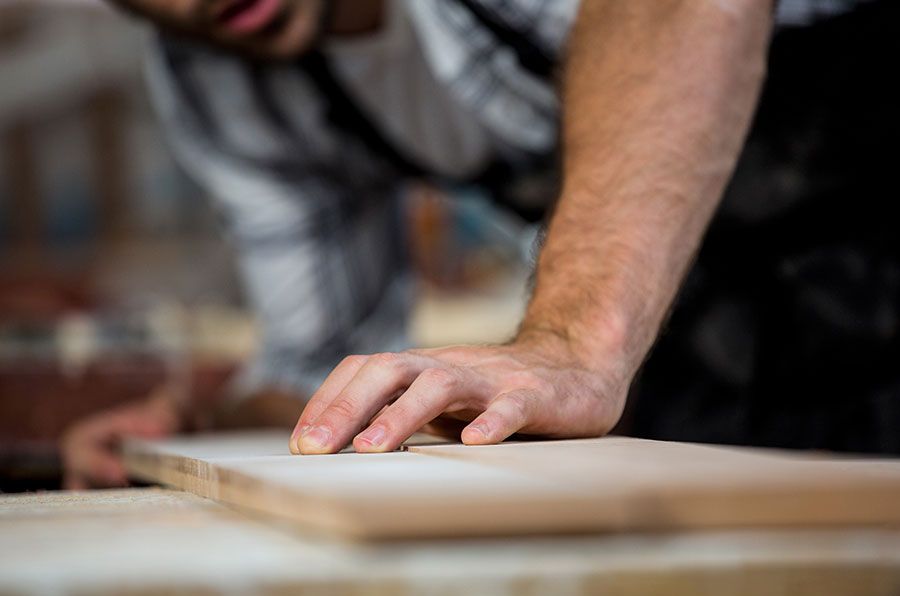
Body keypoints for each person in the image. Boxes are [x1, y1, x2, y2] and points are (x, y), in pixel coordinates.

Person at [62, 0, 898, 487]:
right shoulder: (223, 81)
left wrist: (572, 342)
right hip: (707, 352)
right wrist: (199, 425)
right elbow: (321, 363)